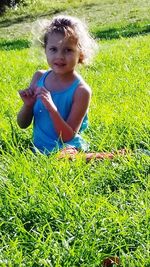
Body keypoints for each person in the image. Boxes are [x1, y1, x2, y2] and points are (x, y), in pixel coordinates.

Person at [17, 15, 125, 160]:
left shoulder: (81, 91)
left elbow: (68, 135)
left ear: (80, 53)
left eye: (68, 50)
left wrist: (52, 108)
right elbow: (22, 124)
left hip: (66, 144)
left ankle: (108, 157)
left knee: (63, 159)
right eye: (53, 49)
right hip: (39, 147)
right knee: (55, 160)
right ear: (45, 50)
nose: (60, 56)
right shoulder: (39, 78)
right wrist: (28, 106)